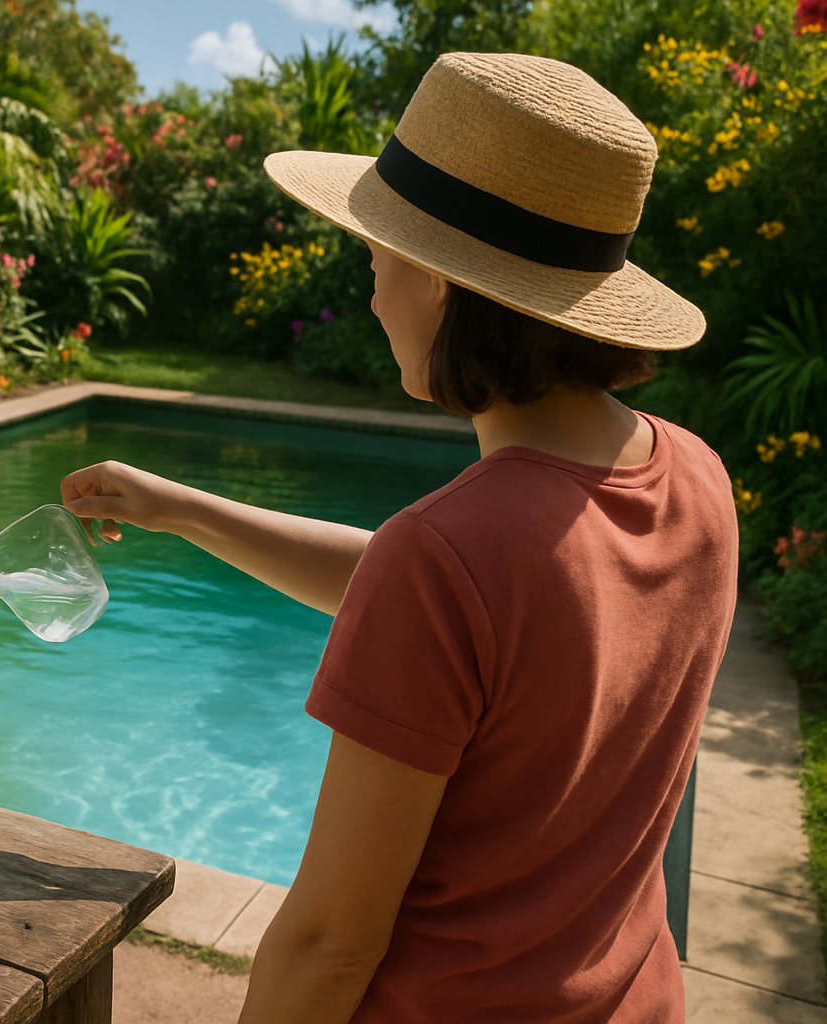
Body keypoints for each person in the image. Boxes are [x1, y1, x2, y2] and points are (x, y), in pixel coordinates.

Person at [60, 53, 738, 1023]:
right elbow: (469, 609)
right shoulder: (698, 480)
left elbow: (331, 943)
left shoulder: (452, 556)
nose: (372, 291)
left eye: (375, 257)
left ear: (436, 280)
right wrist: (183, 507)